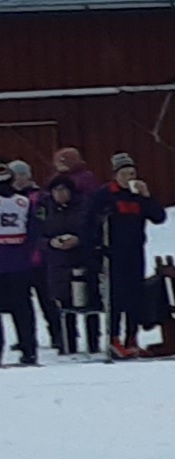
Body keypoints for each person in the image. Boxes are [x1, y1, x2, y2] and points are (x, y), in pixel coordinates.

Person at [32, 148, 106, 358]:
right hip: (58, 261)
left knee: (90, 301)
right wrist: (51, 243)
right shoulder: (47, 208)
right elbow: (38, 234)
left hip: (83, 257)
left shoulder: (85, 203)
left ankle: (93, 342)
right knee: (63, 302)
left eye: (63, 190)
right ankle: (68, 343)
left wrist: (80, 240)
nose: (60, 194)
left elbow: (94, 229)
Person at [99, 152, 168, 357]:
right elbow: (91, 220)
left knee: (135, 297)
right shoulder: (105, 194)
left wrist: (147, 197)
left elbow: (158, 217)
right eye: (124, 173)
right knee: (116, 298)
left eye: (132, 172)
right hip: (113, 253)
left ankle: (132, 337)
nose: (129, 177)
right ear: (116, 174)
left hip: (135, 251)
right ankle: (113, 338)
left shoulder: (138, 196)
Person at [0, 161, 39, 366]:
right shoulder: (23, 202)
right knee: (23, 310)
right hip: (19, 265)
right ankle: (29, 350)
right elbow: (33, 231)